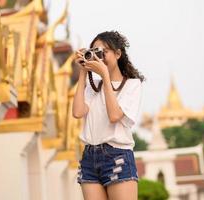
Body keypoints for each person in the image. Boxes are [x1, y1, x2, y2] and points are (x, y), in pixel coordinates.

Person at [72, 31, 145, 200]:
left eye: (103, 52)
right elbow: (77, 112)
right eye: (95, 52)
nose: (99, 57)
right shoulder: (93, 86)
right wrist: (83, 71)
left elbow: (114, 115)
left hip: (117, 156)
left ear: (118, 53)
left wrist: (105, 75)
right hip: (89, 157)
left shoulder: (132, 85)